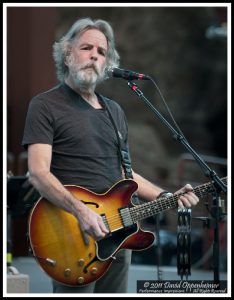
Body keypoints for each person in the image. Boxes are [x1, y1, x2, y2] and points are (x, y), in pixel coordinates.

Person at [22, 17, 199, 294]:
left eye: (102, 52)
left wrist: (168, 197)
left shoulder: (114, 111)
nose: (94, 55)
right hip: (73, 232)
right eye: (86, 48)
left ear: (107, 64)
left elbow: (125, 174)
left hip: (121, 230)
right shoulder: (45, 105)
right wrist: (81, 212)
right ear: (67, 55)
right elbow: (38, 172)